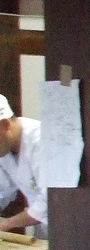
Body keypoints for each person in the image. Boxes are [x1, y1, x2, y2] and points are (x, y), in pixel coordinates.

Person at [0, 95, 47, 239]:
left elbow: (48, 202)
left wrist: (7, 223)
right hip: (44, 231)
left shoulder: (42, 140)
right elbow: (3, 189)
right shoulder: (5, 148)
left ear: (5, 125)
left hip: (73, 227)